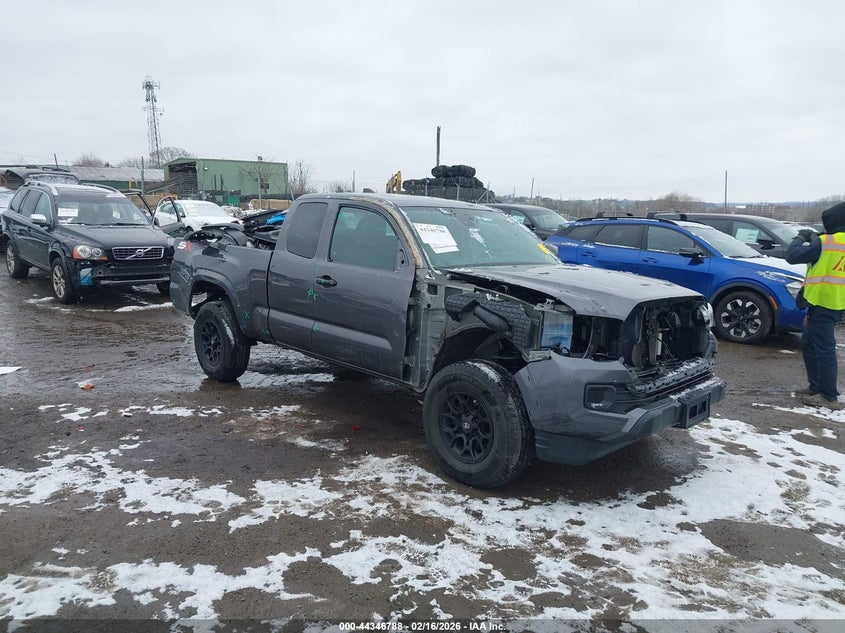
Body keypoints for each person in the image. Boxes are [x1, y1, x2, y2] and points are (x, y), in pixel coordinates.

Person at [785, 201, 845, 410]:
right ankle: (816, 387)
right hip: (836, 302)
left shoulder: (827, 243)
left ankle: (828, 396)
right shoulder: (833, 241)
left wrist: (800, 237)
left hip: (823, 302)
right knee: (809, 343)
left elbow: (792, 256)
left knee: (824, 348)